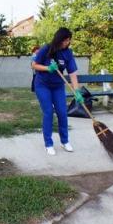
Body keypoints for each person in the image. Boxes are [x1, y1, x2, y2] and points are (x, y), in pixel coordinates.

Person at [32, 27, 84, 155]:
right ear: (59, 39)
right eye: (65, 40)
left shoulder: (68, 53)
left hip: (58, 86)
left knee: (62, 112)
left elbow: (72, 73)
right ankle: (48, 143)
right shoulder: (46, 49)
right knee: (48, 112)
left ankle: (65, 141)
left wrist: (76, 91)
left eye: (69, 40)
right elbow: (34, 65)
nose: (67, 42)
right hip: (42, 85)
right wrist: (47, 68)